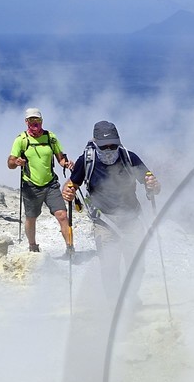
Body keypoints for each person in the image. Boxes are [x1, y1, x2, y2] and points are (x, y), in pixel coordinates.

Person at [62, 120, 159, 295]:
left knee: (136, 267)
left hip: (131, 221)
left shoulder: (129, 158)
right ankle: (114, 308)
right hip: (104, 223)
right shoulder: (86, 160)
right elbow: (72, 184)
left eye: (112, 146)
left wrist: (153, 185)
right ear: (96, 144)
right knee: (109, 269)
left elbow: (152, 184)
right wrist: (67, 192)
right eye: (103, 147)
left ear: (119, 142)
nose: (108, 150)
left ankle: (129, 301)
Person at [7, 108, 74, 255]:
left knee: (62, 215)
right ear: (26, 122)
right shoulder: (21, 140)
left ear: (41, 121)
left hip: (51, 184)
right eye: (31, 120)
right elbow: (10, 163)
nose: (35, 123)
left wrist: (66, 163)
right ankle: (32, 245)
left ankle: (70, 248)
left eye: (37, 120)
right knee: (31, 218)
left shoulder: (51, 137)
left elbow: (60, 158)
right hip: (31, 186)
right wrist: (17, 162)